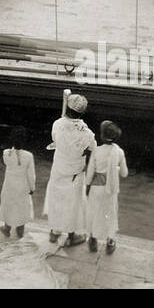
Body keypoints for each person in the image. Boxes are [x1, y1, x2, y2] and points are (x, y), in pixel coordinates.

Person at [45, 92, 95, 246]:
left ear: (67, 108)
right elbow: (93, 150)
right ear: (83, 112)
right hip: (75, 172)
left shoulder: (57, 124)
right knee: (73, 204)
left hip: (59, 167)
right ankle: (71, 235)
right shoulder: (87, 134)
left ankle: (54, 232)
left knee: (56, 200)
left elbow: (56, 139)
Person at [84, 119, 127, 254]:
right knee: (110, 214)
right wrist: (115, 168)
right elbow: (124, 173)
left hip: (96, 188)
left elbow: (90, 173)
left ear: (101, 136)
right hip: (111, 189)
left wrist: (86, 186)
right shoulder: (119, 152)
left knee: (94, 213)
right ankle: (110, 241)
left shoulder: (97, 151)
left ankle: (93, 239)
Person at [0, 125, 36, 239]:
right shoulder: (28, 156)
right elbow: (31, 175)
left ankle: (7, 228)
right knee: (21, 206)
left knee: (9, 204)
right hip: (22, 187)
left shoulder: (6, 153)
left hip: (9, 185)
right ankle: (20, 230)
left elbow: (6, 161)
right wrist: (32, 188)